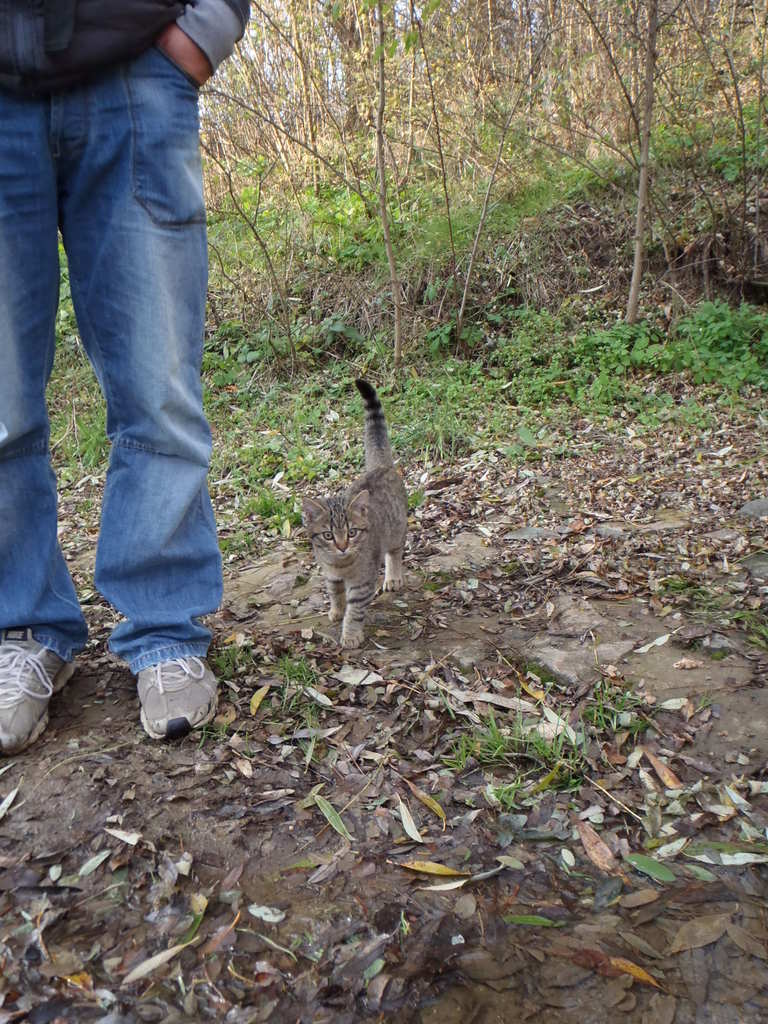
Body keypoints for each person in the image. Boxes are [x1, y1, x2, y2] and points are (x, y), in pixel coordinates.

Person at [0, 0, 250, 752]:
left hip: (139, 73)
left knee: (158, 387)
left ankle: (166, 627)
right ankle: (21, 625)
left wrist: (204, 31)